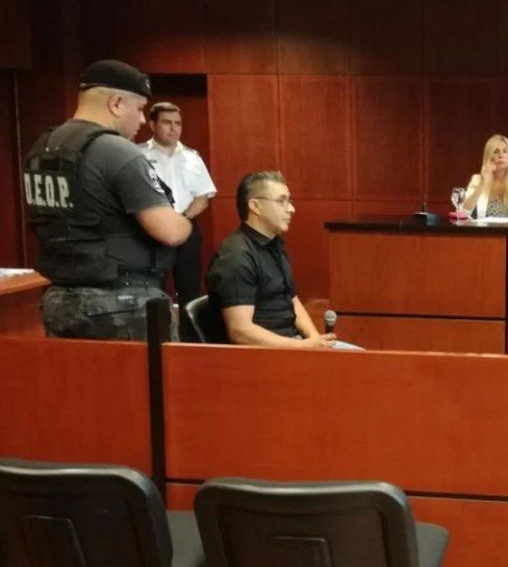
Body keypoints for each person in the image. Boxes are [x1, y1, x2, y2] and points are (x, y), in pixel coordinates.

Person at [22, 59, 192, 340]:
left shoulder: (43, 148)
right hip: (121, 302)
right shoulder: (117, 151)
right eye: (139, 109)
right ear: (116, 103)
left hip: (60, 300)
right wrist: (185, 222)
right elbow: (169, 231)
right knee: (149, 373)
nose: (142, 120)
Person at [206, 171, 356, 349]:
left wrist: (315, 340)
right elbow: (240, 331)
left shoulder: (274, 244)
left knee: (363, 358)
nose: (291, 209)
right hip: (264, 354)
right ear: (255, 206)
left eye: (289, 201)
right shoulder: (236, 256)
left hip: (292, 343)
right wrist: (303, 347)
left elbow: (292, 299)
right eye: (281, 201)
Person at [139, 102, 216, 308]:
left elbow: (203, 197)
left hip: (187, 226)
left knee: (190, 288)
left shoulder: (192, 157)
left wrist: (181, 220)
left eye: (178, 123)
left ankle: (188, 328)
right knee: (153, 289)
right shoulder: (139, 155)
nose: (174, 128)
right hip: (151, 229)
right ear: (152, 125)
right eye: (167, 122)